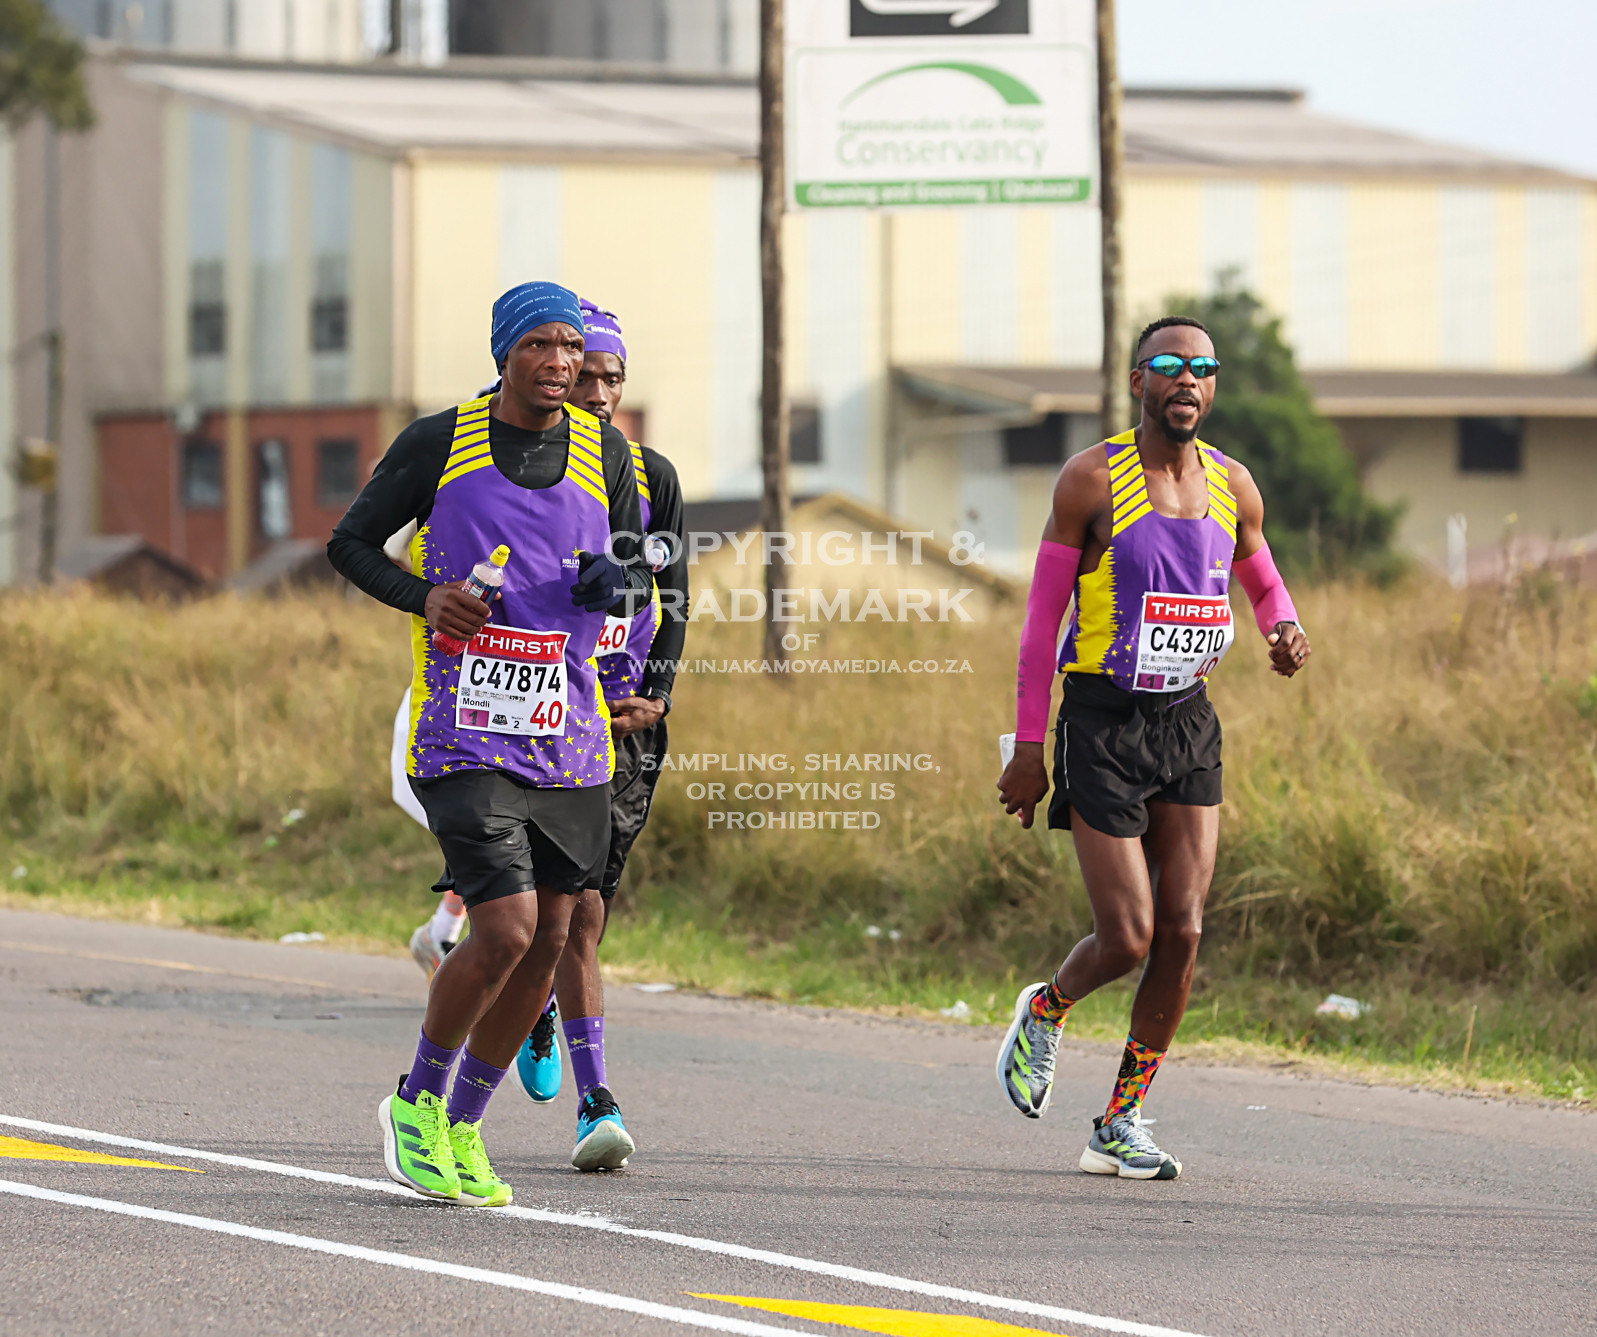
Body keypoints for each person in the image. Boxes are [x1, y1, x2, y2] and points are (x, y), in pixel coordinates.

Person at [327, 281, 653, 1206]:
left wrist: (609, 585)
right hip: (463, 729)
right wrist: (425, 596)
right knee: (504, 925)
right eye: (540, 344)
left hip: (570, 734)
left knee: (551, 937)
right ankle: (415, 1103)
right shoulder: (441, 441)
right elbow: (351, 544)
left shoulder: (607, 451)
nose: (559, 362)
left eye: (570, 347)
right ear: (505, 352)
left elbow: (633, 569)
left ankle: (464, 1125)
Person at [994, 316, 1311, 1180]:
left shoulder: (1232, 485)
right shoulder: (1091, 479)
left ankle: (1119, 1119)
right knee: (1128, 934)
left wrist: (1283, 628)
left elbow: (1263, 579)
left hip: (1187, 721)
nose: (1187, 380)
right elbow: (1040, 625)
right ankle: (1047, 1009)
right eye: (1169, 364)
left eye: (1202, 367)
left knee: (1183, 928)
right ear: (1138, 380)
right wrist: (1028, 749)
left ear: (1212, 386)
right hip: (1100, 721)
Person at [514, 299, 687, 1174]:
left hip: (625, 727)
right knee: (564, 912)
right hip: (538, 718)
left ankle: (545, 999)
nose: (599, 392)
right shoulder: (523, 467)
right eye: (586, 376)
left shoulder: (651, 475)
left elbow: (676, 596)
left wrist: (656, 692)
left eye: (612, 378)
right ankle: (597, 1100)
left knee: (590, 909)